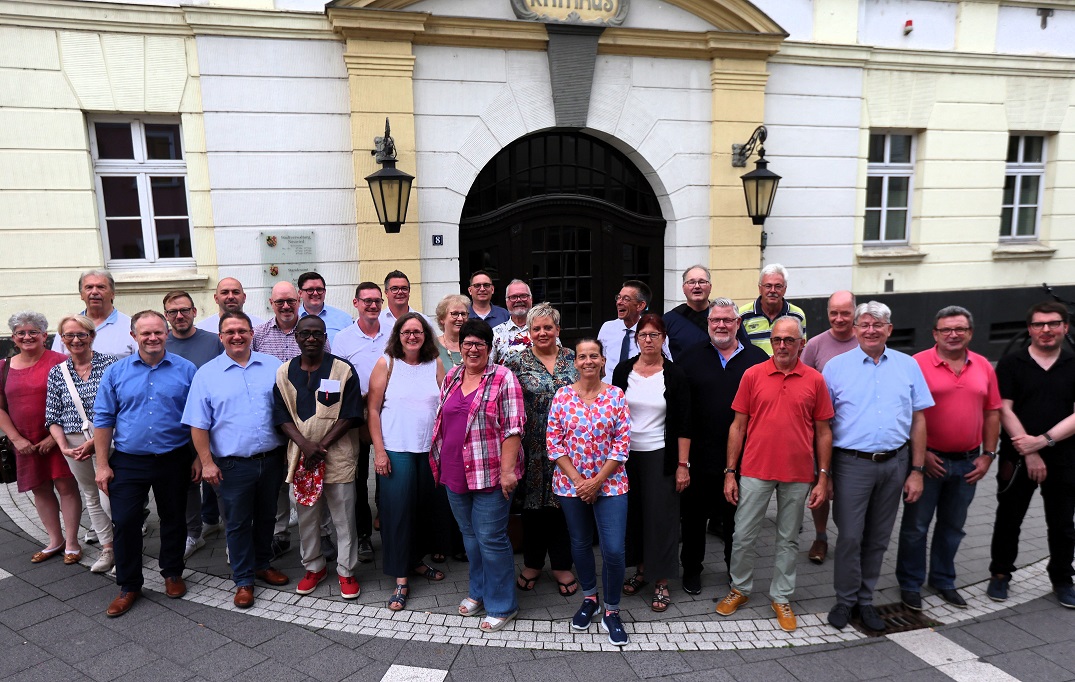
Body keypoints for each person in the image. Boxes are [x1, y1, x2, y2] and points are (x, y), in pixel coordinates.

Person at [715, 317, 834, 632]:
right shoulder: (753, 375)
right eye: (778, 339)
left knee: (788, 539)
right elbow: (737, 426)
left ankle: (781, 596)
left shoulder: (815, 380)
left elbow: (823, 432)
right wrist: (730, 472)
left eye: (790, 340)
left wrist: (823, 476)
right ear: (772, 342)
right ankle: (740, 588)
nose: (782, 345)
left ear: (801, 344)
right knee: (743, 536)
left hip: (798, 474)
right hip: (755, 468)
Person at [823, 301, 933, 632]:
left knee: (878, 537)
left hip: (895, 463)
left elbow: (918, 420)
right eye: (864, 324)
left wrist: (916, 470)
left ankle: (865, 600)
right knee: (851, 536)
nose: (871, 330)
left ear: (889, 329)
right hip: (851, 464)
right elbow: (823, 425)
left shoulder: (908, 365)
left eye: (878, 324)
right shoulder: (835, 367)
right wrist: (823, 474)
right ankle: (845, 600)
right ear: (854, 329)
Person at [93, 311, 198, 618]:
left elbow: (198, 418)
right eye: (145, 333)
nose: (152, 338)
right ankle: (128, 585)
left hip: (174, 457)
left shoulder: (186, 369)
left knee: (174, 517)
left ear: (166, 333)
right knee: (125, 522)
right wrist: (102, 464)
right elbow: (103, 418)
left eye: (158, 332)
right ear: (133, 336)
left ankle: (172, 572)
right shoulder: (116, 372)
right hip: (128, 460)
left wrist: (197, 457)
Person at [182, 312, 290, 609]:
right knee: (238, 523)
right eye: (230, 332)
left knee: (267, 516)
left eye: (242, 330)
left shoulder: (273, 367)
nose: (236, 336)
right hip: (231, 465)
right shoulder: (207, 374)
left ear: (251, 333)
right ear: (221, 337)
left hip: (271, 459)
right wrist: (206, 462)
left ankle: (262, 563)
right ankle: (243, 579)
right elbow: (197, 424)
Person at [896, 306, 1000, 611]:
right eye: (946, 330)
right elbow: (906, 414)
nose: (953, 335)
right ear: (935, 334)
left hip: (969, 463)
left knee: (953, 526)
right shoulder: (917, 364)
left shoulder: (982, 366)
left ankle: (942, 579)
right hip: (929, 462)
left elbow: (992, 412)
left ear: (970, 332)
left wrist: (988, 455)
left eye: (960, 329)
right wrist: (921, 454)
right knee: (916, 527)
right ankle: (910, 583)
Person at [429, 319, 524, 632]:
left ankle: (502, 604)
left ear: (489, 348)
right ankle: (479, 592)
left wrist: (508, 471)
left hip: (491, 474)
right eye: (467, 343)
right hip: (455, 472)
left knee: (492, 539)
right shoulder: (454, 376)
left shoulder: (503, 378)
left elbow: (513, 428)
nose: (472, 349)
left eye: (479, 344)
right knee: (470, 538)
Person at [675, 299, 768, 595]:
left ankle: (734, 570)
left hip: (743, 457)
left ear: (738, 324)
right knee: (693, 519)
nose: (721, 326)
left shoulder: (756, 359)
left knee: (735, 520)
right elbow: (682, 413)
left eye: (728, 320)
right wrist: (682, 461)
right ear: (708, 324)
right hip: (698, 456)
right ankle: (691, 569)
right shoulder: (689, 358)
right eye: (716, 320)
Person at [987, 301, 1075, 608]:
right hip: (1016, 456)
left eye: (1053, 323)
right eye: (1039, 324)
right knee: (1009, 518)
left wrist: (1044, 442)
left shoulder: (1073, 363)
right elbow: (1003, 409)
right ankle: (1000, 574)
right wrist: (1030, 450)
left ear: (1065, 327)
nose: (1046, 330)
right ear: (1030, 329)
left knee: (1063, 522)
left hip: (1063, 456)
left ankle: (1063, 578)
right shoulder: (1012, 364)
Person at [548, 338, 632, 646]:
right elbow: (554, 444)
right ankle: (590, 598)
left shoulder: (616, 396)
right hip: (571, 485)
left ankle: (612, 610)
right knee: (580, 543)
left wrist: (596, 481)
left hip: (611, 484)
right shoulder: (562, 397)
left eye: (593, 356)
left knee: (612, 549)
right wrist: (579, 481)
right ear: (576, 362)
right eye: (582, 356)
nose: (587, 361)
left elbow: (622, 445)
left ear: (601, 361)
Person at [273, 316, 364, 600]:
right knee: (307, 517)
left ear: (325, 337)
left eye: (317, 334)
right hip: (301, 458)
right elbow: (280, 416)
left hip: (337, 456)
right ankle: (314, 567)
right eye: (305, 334)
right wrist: (304, 445)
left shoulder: (342, 370)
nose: (311, 338)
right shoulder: (284, 372)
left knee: (344, 518)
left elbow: (351, 414)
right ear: (296, 337)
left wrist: (320, 446)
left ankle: (346, 571)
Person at [610, 314, 690, 612]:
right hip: (626, 456)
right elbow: (613, 412)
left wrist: (683, 465)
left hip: (661, 454)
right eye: (643, 334)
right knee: (634, 515)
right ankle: (642, 571)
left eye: (654, 335)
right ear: (636, 338)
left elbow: (684, 423)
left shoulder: (675, 374)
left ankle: (661, 581)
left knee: (662, 518)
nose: (647, 339)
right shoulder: (622, 371)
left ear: (663, 338)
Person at [367, 313, 447, 611]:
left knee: (422, 510)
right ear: (398, 335)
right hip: (396, 449)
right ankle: (401, 579)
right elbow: (372, 411)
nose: (412, 336)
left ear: (425, 335)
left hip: (428, 450)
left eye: (418, 332)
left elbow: (445, 403)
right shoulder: (386, 363)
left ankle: (415, 561)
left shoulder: (434, 364)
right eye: (406, 332)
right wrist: (380, 452)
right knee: (397, 513)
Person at [503, 303, 579, 598]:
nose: (543, 332)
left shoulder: (574, 359)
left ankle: (562, 564)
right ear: (529, 333)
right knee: (533, 506)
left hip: (569, 448)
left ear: (558, 330)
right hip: (531, 447)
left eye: (549, 327)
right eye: (537, 328)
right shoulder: (515, 362)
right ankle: (533, 563)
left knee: (564, 505)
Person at [254, 280, 332, 559]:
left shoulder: (314, 329)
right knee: (277, 483)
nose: (286, 306)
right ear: (271, 304)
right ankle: (280, 533)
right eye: (279, 302)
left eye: (290, 301)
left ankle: (322, 534)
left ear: (298, 301)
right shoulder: (259, 335)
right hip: (275, 419)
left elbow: (328, 373)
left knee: (313, 477)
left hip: (312, 420)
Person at [1, 312, 80, 564]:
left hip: (57, 438)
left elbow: (73, 404)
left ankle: (72, 543)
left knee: (66, 487)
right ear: (13, 338)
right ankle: (54, 541)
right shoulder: (2, 368)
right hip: (25, 443)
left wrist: (54, 438)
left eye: (33, 331)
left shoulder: (62, 362)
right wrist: (15, 439)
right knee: (40, 489)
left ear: (45, 336)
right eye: (21, 333)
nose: (27, 336)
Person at [45, 314, 119, 573]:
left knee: (111, 496)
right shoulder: (57, 372)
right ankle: (108, 549)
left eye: (81, 335)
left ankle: (125, 549)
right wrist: (63, 446)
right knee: (90, 495)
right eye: (69, 336)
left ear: (92, 336)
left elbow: (119, 407)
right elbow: (52, 416)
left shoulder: (110, 365)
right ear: (62, 339)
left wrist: (93, 443)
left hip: (107, 439)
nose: (75, 340)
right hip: (73, 443)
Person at [163, 290, 225, 561]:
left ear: (194, 312)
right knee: (188, 482)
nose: (179, 316)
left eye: (184, 310)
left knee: (219, 480)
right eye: (172, 312)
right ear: (166, 316)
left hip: (213, 426)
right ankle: (194, 533)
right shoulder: (159, 342)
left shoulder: (213, 342)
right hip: (176, 428)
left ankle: (227, 530)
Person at [330, 281, 386, 563]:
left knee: (389, 476)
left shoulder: (392, 333)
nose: (373, 305)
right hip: (357, 415)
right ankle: (363, 535)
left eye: (377, 300)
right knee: (358, 478)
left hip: (389, 413)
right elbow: (337, 379)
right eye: (367, 301)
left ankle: (388, 527)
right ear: (356, 304)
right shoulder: (343, 338)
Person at [800, 290, 857, 565]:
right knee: (820, 485)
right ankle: (820, 537)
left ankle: (849, 539)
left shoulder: (865, 342)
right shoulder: (816, 345)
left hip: (854, 435)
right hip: (820, 431)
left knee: (849, 490)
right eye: (834, 312)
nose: (839, 318)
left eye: (845, 312)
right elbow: (803, 383)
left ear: (854, 313)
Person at [51, 269, 136, 358]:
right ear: (81, 295)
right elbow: (57, 362)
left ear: (113, 294)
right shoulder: (68, 327)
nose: (94, 292)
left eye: (101, 287)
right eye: (89, 287)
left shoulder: (130, 326)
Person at [597, 280, 668, 382]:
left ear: (640, 305)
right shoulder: (607, 328)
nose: (619, 302)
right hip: (610, 393)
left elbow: (667, 365)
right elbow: (600, 361)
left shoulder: (655, 333)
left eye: (626, 299)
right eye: (618, 297)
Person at [737, 264, 807, 356]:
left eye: (778, 286)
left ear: (785, 289)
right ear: (760, 288)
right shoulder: (743, 314)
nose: (773, 290)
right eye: (768, 286)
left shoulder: (796, 315)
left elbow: (801, 349)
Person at [663, 265, 712, 360]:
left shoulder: (725, 317)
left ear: (710, 287)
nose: (697, 286)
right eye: (691, 282)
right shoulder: (668, 321)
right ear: (683, 288)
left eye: (702, 282)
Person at [491, 280, 541, 363]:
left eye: (523, 296)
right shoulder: (496, 333)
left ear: (531, 299)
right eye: (513, 297)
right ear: (507, 302)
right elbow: (488, 366)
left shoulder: (545, 330)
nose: (518, 300)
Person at [298, 271, 353, 344]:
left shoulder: (343, 319)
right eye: (310, 290)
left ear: (325, 292)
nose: (315, 293)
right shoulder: (293, 318)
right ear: (300, 293)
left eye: (319, 289)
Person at [197, 277, 266, 333]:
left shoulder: (261, 327)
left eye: (236, 292)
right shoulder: (202, 329)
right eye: (225, 292)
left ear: (244, 297)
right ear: (216, 298)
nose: (230, 297)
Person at [434, 294, 470, 371]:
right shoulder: (432, 345)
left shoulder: (474, 346)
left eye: (463, 314)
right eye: (455, 314)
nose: (460, 318)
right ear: (442, 318)